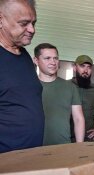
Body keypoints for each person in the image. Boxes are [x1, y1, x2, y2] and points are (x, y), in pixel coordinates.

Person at [0, 0, 44, 153]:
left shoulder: (23, 55)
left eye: (34, 23)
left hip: (29, 158)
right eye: (24, 23)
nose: (32, 29)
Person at [33, 43, 85, 145]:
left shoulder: (70, 87)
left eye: (55, 58)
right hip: (33, 147)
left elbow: (78, 118)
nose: (53, 62)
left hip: (62, 147)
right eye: (47, 58)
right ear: (36, 60)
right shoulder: (28, 86)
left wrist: (80, 146)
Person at [70, 55, 94, 141]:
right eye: (82, 66)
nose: (86, 70)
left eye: (89, 67)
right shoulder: (65, 87)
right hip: (66, 138)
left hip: (88, 139)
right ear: (74, 68)